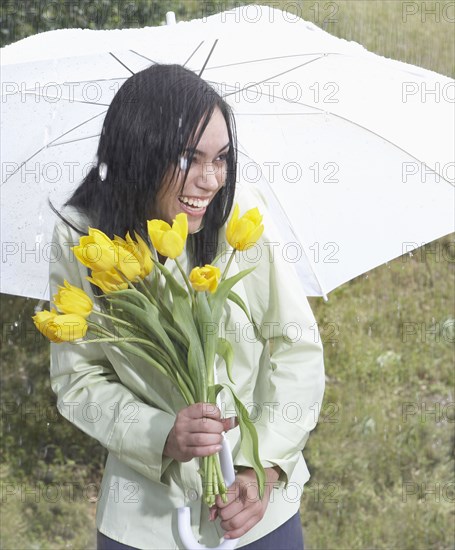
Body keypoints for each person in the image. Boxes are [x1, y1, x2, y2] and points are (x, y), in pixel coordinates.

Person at [49, 64, 325, 549]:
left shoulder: (238, 213)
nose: (212, 180)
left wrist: (266, 467)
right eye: (188, 159)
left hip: (257, 514)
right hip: (146, 520)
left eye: (221, 158)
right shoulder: (81, 236)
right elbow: (78, 378)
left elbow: (295, 346)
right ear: (138, 151)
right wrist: (162, 434)